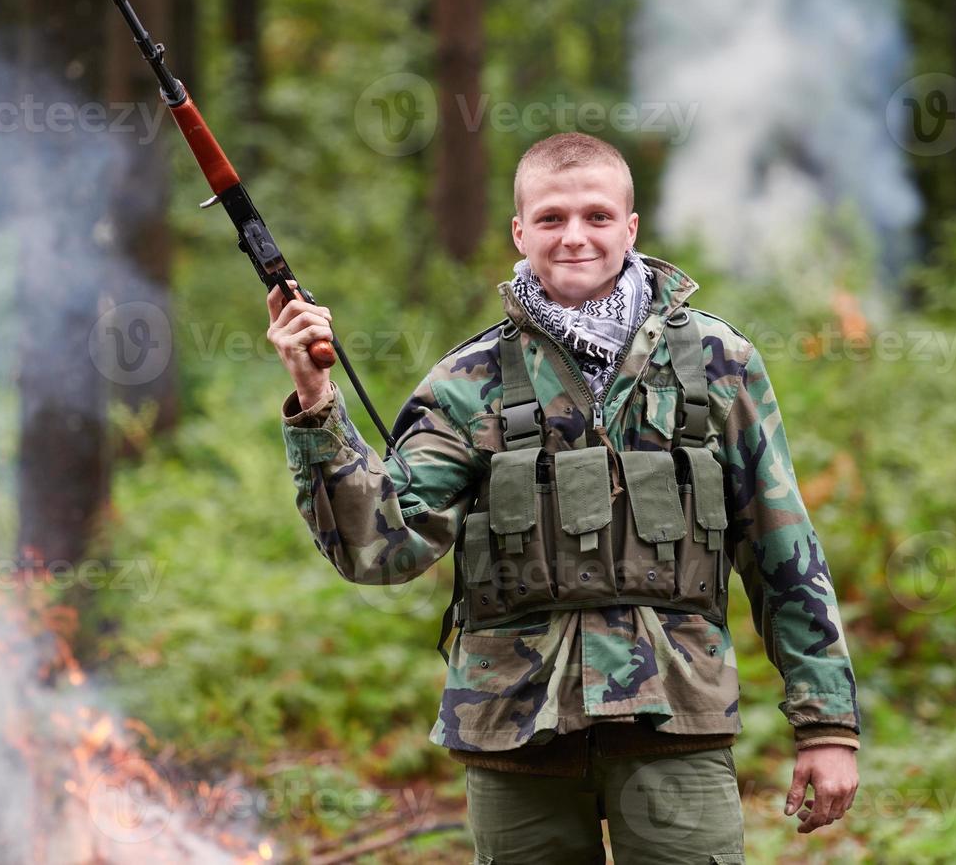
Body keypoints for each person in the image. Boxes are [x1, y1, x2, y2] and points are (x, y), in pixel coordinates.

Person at [266, 132, 860, 864]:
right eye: (550, 218)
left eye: (597, 216)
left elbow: (782, 549)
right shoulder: (467, 382)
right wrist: (316, 399)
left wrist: (826, 725)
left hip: (675, 723)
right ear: (520, 232)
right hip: (517, 732)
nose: (574, 236)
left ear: (630, 227)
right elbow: (379, 545)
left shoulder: (718, 364)